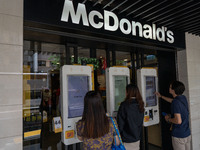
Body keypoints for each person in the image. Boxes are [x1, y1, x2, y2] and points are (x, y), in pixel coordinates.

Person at [155, 81, 191, 150]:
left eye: (170, 87)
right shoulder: (183, 98)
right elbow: (172, 100)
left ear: (173, 90)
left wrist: (168, 119)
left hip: (179, 135)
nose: (169, 88)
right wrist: (161, 96)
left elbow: (178, 121)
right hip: (186, 133)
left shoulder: (175, 103)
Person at [117, 84, 144, 150]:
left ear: (128, 92)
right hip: (137, 138)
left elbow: (120, 124)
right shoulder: (140, 104)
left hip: (126, 139)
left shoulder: (124, 105)